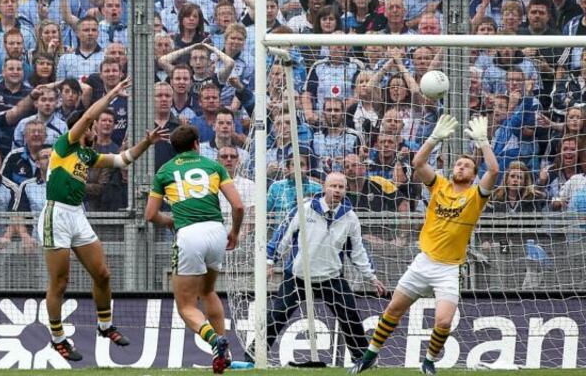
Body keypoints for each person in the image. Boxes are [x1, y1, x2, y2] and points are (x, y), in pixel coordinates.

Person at [351, 115, 499, 376]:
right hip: (423, 262)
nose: (461, 168)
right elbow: (418, 162)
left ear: (474, 175)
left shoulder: (476, 196)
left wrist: (484, 143)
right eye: (459, 164)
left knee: (443, 320)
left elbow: (494, 171)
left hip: (449, 269)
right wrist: (433, 138)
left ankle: (429, 361)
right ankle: (370, 356)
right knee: (393, 309)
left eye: (467, 166)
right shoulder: (439, 185)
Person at [38, 77, 167, 360]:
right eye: (92, 127)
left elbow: (123, 160)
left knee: (103, 273)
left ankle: (105, 325)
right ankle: (58, 338)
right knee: (60, 282)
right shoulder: (65, 146)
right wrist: (110, 95)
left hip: (76, 215)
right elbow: (87, 115)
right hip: (55, 214)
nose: (95, 128)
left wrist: (147, 142)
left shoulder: (88, 156)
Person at [240, 172, 387, 368]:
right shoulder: (304, 209)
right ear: (324, 188)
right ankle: (252, 357)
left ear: (346, 190)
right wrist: (270, 261)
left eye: (341, 187)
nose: (336, 190)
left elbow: (357, 250)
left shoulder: (350, 217)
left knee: (350, 315)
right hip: (298, 276)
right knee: (276, 315)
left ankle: (362, 360)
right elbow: (282, 235)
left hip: (331, 277)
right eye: (333, 186)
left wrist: (371, 277)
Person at [146, 124, 244, 374]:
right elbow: (239, 206)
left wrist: (169, 221)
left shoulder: (165, 171)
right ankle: (226, 355)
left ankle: (215, 340)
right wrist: (234, 232)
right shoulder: (214, 166)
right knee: (208, 291)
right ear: (197, 144)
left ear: (174, 149)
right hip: (216, 231)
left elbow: (150, 215)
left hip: (189, 234)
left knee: (186, 306)